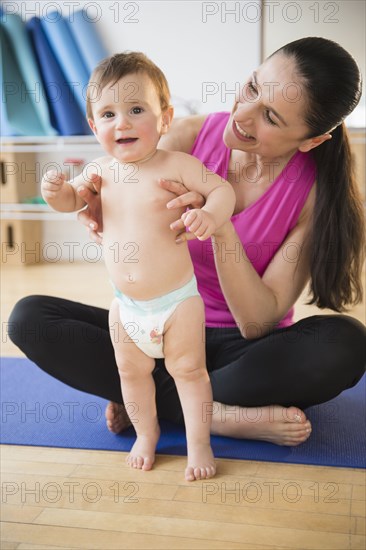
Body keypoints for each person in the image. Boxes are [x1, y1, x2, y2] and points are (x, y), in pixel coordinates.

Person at [9, 37, 366, 454]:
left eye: (270, 116)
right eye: (252, 87)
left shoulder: (312, 196)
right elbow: (118, 182)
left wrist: (219, 226)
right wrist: (94, 207)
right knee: (30, 318)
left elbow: (255, 323)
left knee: (346, 343)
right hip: (159, 331)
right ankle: (217, 415)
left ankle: (155, 402)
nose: (243, 115)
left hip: (243, 353)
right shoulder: (187, 137)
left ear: (311, 140)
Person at [40, 52, 236, 480]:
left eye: (136, 110)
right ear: (94, 127)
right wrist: (55, 191)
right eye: (108, 114)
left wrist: (211, 215)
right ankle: (146, 434)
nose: (122, 123)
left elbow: (222, 190)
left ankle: (198, 443)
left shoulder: (176, 165)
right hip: (126, 307)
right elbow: (71, 201)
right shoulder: (98, 171)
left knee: (189, 372)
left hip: (177, 303)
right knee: (130, 374)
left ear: (164, 119)